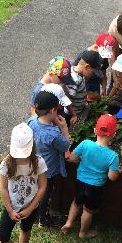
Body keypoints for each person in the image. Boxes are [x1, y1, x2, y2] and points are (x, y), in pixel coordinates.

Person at [61, 114, 119, 238]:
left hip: (80, 181)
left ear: (94, 130)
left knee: (76, 202)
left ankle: (69, 223)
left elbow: (72, 158)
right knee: (88, 210)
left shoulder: (86, 143)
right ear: (113, 135)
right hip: (96, 187)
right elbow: (112, 177)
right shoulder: (113, 156)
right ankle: (83, 232)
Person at [0, 123, 47, 243]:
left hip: (31, 205)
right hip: (11, 206)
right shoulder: (6, 163)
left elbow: (42, 187)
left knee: (26, 229)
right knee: (2, 237)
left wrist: (30, 209)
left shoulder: (38, 161)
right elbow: (3, 188)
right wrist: (10, 210)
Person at [28, 91, 72, 227]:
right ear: (53, 110)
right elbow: (65, 146)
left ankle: (32, 210)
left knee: (35, 188)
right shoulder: (53, 134)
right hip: (49, 170)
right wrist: (64, 127)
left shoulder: (32, 121)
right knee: (46, 193)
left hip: (33, 164)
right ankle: (43, 219)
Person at [29, 56, 76, 126]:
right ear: (51, 74)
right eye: (62, 80)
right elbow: (33, 111)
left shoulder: (58, 84)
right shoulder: (39, 91)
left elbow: (65, 97)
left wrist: (73, 114)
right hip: (50, 125)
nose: (63, 83)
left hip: (59, 118)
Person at [73, 34, 118, 100]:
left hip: (95, 81)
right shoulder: (83, 58)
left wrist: (103, 88)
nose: (104, 56)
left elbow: (103, 74)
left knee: (95, 99)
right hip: (83, 83)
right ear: (96, 47)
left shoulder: (103, 56)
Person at [67, 49, 103, 121]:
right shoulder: (74, 80)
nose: (92, 75)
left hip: (80, 107)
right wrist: (73, 115)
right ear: (87, 67)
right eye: (93, 72)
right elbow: (67, 100)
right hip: (72, 114)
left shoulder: (79, 74)